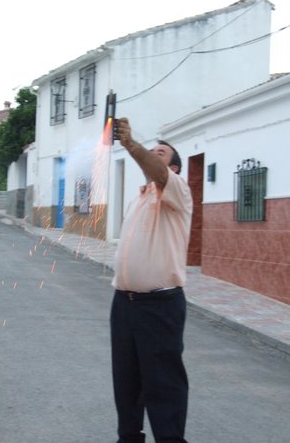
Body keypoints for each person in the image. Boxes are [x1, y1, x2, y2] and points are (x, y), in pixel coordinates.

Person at [110, 117, 193, 443]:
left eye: (161, 153)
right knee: (126, 380)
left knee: (163, 384)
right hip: (124, 303)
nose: (153, 155)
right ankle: (128, 438)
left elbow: (157, 172)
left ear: (173, 169)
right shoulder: (140, 197)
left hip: (160, 304)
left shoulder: (177, 192)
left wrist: (131, 143)